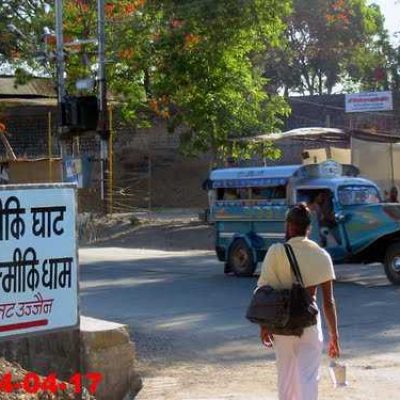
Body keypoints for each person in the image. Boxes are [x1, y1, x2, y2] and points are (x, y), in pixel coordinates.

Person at [257, 203, 340, 400]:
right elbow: (328, 302)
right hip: (309, 325)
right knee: (308, 378)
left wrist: (264, 326)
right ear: (308, 228)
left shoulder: (275, 252)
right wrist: (334, 335)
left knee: (285, 378)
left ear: (289, 226)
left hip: (280, 325)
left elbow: (263, 291)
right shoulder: (321, 255)